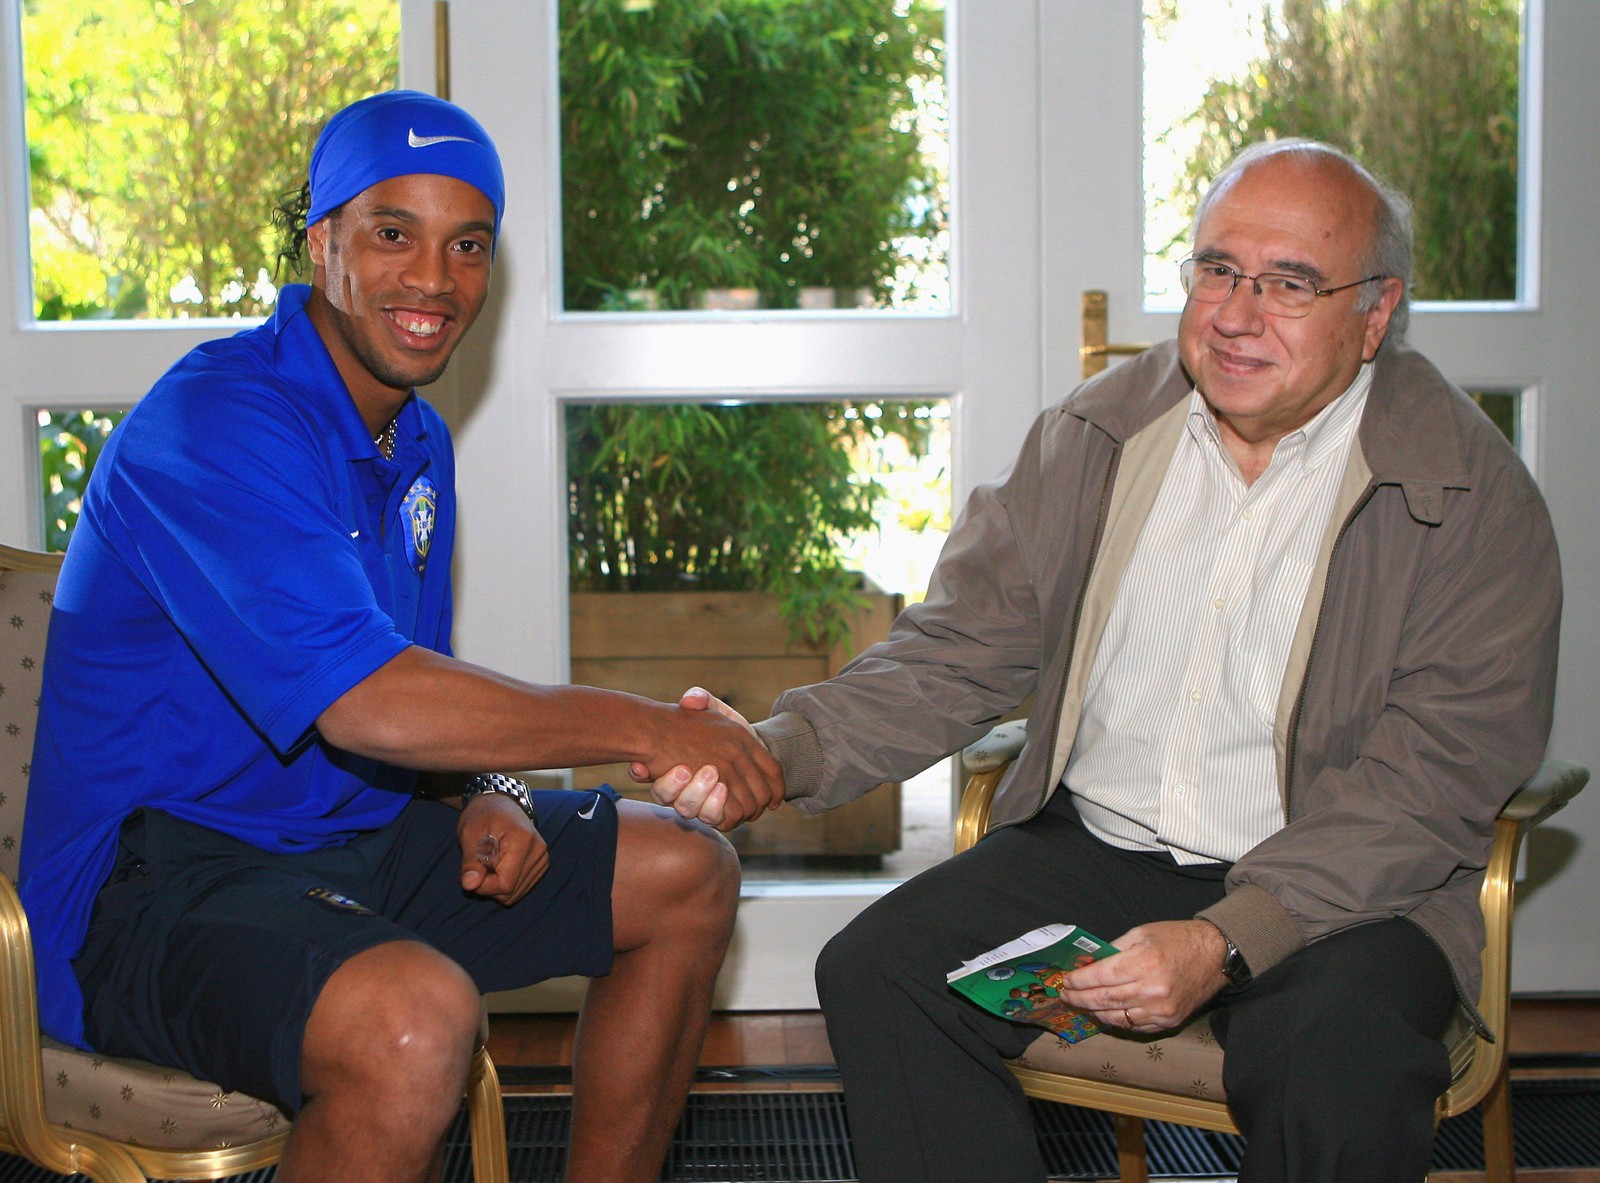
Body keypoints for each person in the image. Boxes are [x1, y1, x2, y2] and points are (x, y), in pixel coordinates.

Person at [656, 139, 1562, 1181]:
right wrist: (779, 748)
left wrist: (1227, 936)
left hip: (1347, 889)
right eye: (1217, 269)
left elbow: (1432, 778)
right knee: (881, 969)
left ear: (1375, 314)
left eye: (1288, 283)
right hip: (1100, 850)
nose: (1234, 312)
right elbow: (957, 649)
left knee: (1331, 1056)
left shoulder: (1465, 496)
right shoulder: (1097, 435)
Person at [19, 90, 784, 1183]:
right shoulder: (217, 419)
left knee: (685, 871)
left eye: (465, 245)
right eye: (393, 233)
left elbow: (422, 689)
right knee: (419, 1020)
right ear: (322, 243)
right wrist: (644, 727)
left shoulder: (412, 439)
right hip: (156, 882)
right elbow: (369, 699)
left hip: (347, 843)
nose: (433, 279)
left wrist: (495, 790)